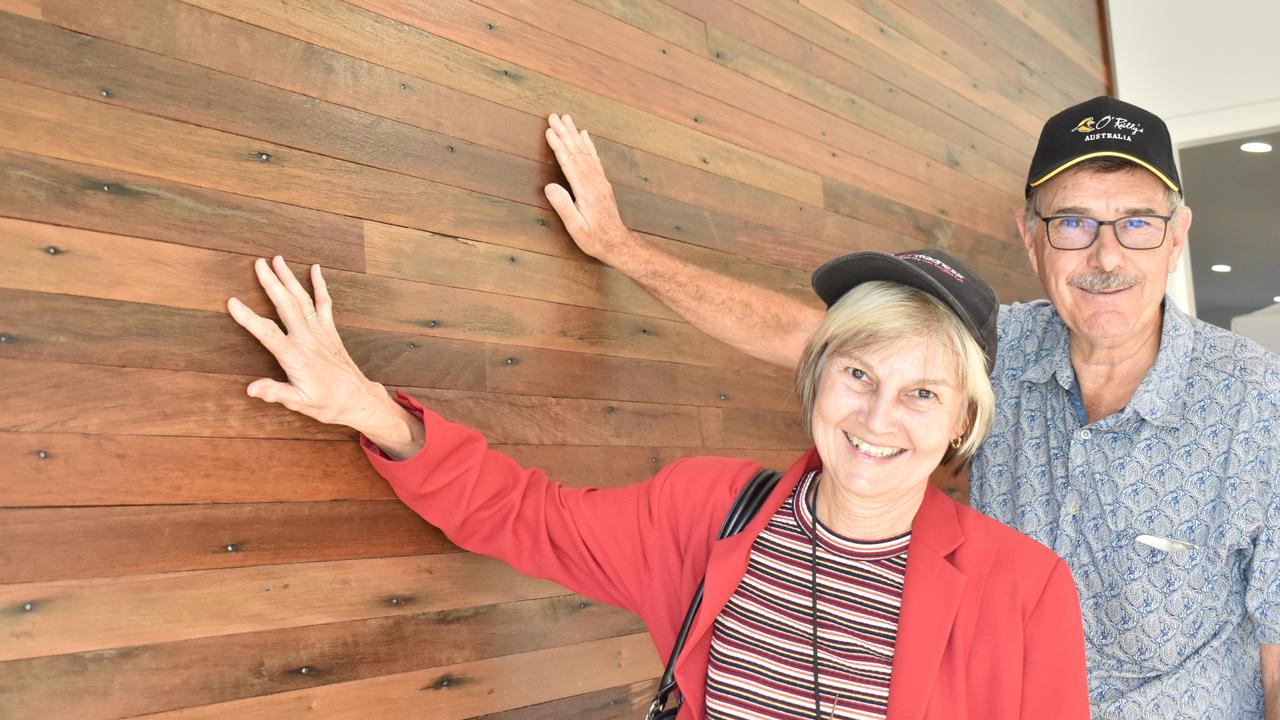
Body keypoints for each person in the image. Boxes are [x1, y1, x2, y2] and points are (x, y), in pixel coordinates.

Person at [537, 100, 1280, 719]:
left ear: (1177, 237)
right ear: (1031, 238)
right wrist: (621, 249)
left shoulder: (1260, 403)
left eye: (1138, 222)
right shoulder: (998, 348)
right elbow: (801, 334)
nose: (1106, 256)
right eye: (1074, 223)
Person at [227, 245, 1088, 718]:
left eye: (922, 394)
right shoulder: (710, 513)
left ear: (960, 425)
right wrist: (372, 410)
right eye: (857, 374)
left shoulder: (1026, 591)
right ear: (817, 379)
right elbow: (524, 516)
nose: (877, 416)